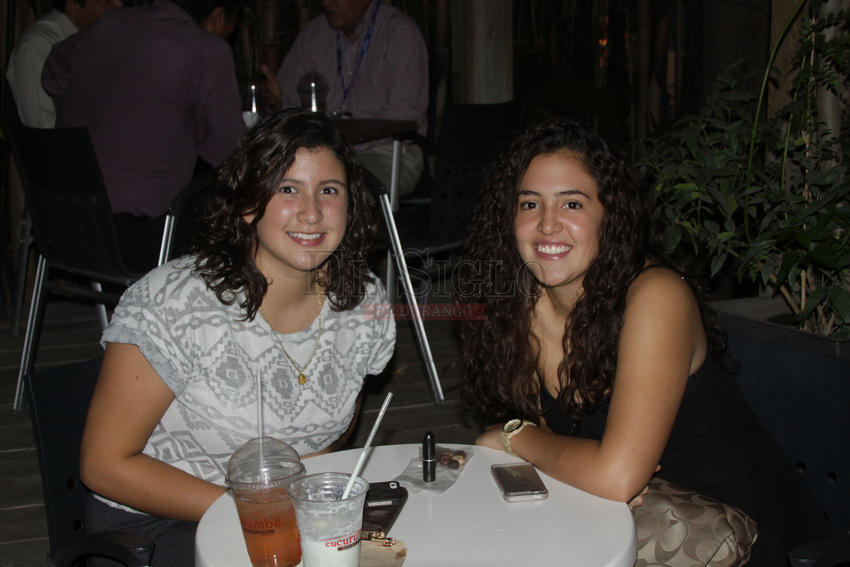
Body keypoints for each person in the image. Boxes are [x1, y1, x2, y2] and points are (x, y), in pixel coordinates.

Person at [458, 119, 832, 566]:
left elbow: (614, 475)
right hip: (623, 523)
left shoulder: (656, 296)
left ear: (609, 215)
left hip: (731, 536)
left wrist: (512, 435)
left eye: (572, 203)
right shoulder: (520, 305)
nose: (547, 224)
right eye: (530, 203)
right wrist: (572, 463)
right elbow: (561, 458)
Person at [79, 109, 396, 566]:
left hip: (293, 517)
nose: (311, 212)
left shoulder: (362, 302)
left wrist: (303, 502)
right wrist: (257, 512)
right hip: (156, 526)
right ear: (248, 205)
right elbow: (104, 466)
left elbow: (336, 427)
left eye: (329, 190)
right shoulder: (173, 303)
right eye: (287, 189)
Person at [42, 0, 245, 271]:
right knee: (239, 204)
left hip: (61, 223)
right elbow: (229, 151)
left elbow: (51, 75)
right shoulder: (205, 49)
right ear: (218, 16)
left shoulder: (106, 25)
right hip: (139, 237)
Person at [263, 0, 428, 197]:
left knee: (342, 186)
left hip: (389, 151)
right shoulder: (315, 33)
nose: (326, 2)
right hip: (320, 152)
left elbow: (405, 115)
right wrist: (278, 101)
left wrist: (342, 138)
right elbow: (287, 98)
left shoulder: (398, 32)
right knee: (270, 182)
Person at [5, 0, 120, 128]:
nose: (118, 7)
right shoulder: (36, 47)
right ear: (73, 6)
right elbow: (44, 127)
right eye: (105, 3)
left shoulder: (111, 39)